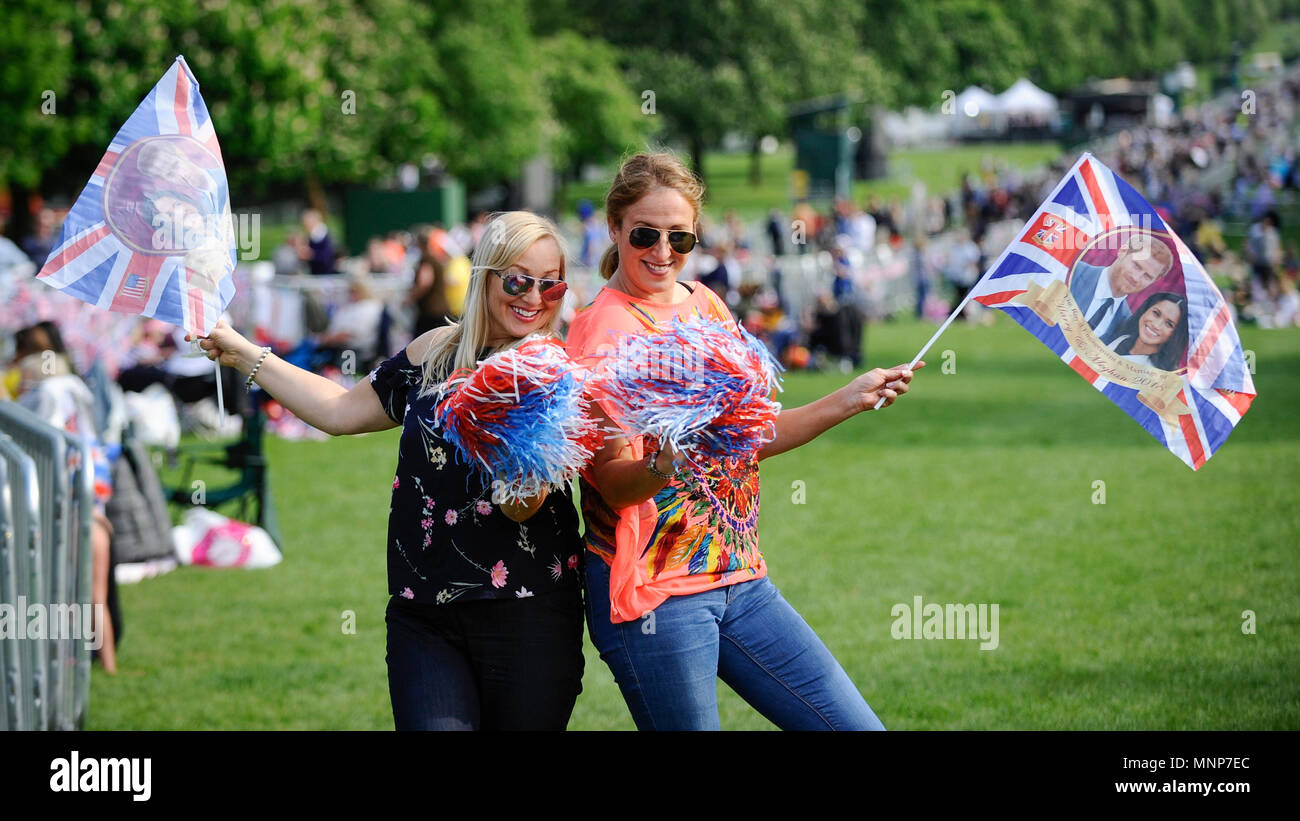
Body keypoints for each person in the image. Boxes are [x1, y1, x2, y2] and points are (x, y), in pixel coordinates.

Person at [566, 152, 921, 731]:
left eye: (679, 238)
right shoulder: (599, 331)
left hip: (739, 576)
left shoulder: (706, 304)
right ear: (614, 228)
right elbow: (611, 483)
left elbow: (747, 438)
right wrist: (665, 461)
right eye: (645, 235)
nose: (662, 252)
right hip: (656, 594)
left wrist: (849, 399)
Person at [194, 211, 585, 730]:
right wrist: (243, 352)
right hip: (422, 614)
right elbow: (338, 411)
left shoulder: (551, 371)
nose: (533, 297)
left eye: (549, 285)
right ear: (484, 276)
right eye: (517, 279)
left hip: (525, 613)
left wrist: (521, 440)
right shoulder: (433, 352)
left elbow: (520, 508)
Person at [1069, 233, 1175, 343]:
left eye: (1147, 276)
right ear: (1123, 251)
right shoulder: (1073, 271)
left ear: (1154, 281)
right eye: (1136, 266)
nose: (1136, 278)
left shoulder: (1127, 324)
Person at [1106, 291, 1189, 371]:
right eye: (1156, 313)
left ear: (1176, 334)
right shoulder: (1120, 337)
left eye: (1169, 324)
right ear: (1145, 310)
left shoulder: (1159, 376)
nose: (1156, 325)